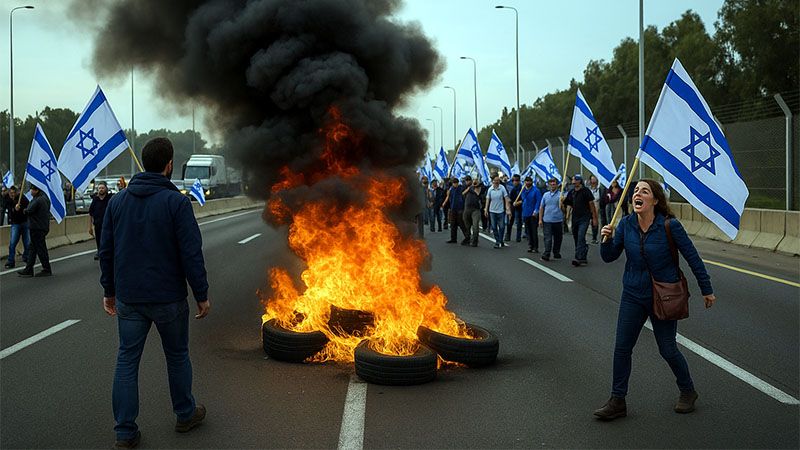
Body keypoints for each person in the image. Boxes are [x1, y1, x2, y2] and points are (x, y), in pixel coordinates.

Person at [100, 137, 210, 448]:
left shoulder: (117, 202)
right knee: (176, 356)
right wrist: (200, 293)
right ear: (169, 165)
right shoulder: (176, 203)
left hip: (130, 299)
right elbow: (191, 253)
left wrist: (109, 290)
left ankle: (124, 430)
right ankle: (185, 414)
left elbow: (106, 251)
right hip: (168, 298)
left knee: (126, 360)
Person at [595, 179, 716, 420]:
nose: (637, 194)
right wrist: (605, 238)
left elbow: (693, 258)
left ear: (656, 200)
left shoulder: (670, 226)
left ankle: (688, 390)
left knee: (668, 349)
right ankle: (617, 400)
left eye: (644, 191)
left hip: (664, 295)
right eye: (636, 190)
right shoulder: (627, 223)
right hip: (632, 294)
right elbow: (609, 257)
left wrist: (706, 289)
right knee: (622, 348)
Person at [562, 174, 598, 266]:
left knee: (581, 236)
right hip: (575, 218)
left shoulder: (586, 191)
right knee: (576, 237)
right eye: (573, 179)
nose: (573, 181)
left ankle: (578, 257)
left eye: (575, 179)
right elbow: (568, 205)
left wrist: (594, 218)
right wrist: (562, 203)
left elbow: (591, 205)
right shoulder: (572, 192)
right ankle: (583, 253)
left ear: (579, 181)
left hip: (584, 217)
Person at [17, 185, 52, 277]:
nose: (31, 191)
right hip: (41, 227)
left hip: (37, 228)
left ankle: (46, 269)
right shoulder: (44, 198)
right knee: (33, 249)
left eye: (32, 190)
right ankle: (29, 269)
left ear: (36, 190)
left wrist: (20, 208)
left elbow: (28, 210)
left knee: (41, 249)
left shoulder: (38, 200)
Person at [5, 186, 30, 269]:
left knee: (27, 242)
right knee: (12, 243)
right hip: (15, 223)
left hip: (24, 222)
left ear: (17, 192)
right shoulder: (8, 200)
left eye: (14, 193)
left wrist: (21, 208)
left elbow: (28, 207)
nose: (12, 195)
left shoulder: (23, 198)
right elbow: (9, 209)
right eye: (11, 193)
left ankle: (26, 256)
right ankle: (11, 260)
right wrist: (14, 208)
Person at [538, 178, 564, 261]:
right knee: (548, 238)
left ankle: (556, 252)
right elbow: (542, 207)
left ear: (557, 185)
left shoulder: (561, 195)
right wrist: (540, 219)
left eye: (554, 183)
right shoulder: (545, 195)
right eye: (551, 183)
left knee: (558, 238)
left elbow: (564, 209)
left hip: (558, 220)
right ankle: (547, 253)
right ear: (548, 185)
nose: (552, 185)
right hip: (547, 220)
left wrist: (562, 204)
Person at [516, 176, 543, 253]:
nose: (527, 183)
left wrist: (536, 210)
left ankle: (535, 247)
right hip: (525, 213)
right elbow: (523, 199)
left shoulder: (536, 190)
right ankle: (530, 245)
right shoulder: (523, 190)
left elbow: (538, 201)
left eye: (529, 181)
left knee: (534, 230)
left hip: (533, 213)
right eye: (526, 181)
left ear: (531, 182)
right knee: (528, 231)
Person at [483, 175, 511, 249]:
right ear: (493, 181)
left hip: (501, 211)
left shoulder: (502, 188)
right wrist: (486, 209)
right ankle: (497, 241)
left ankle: (500, 240)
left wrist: (507, 209)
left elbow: (506, 198)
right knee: (494, 227)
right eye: (495, 180)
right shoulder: (490, 189)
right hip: (492, 211)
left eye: (498, 180)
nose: (497, 182)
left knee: (501, 227)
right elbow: (488, 200)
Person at [89, 181, 114, 260]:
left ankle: (109, 252)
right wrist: (90, 227)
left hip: (108, 224)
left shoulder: (110, 199)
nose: (101, 189)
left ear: (106, 189)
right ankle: (100, 252)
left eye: (103, 188)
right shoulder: (95, 200)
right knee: (99, 239)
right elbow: (90, 213)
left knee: (108, 239)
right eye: (99, 188)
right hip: (98, 224)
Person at [443, 177, 468, 244]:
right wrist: (444, 203)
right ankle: (453, 238)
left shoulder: (461, 188)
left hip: (460, 208)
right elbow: (448, 197)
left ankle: (467, 237)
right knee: (453, 224)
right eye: (454, 183)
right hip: (453, 208)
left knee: (461, 223)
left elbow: (466, 189)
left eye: (456, 183)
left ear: (458, 183)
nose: (455, 184)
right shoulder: (451, 189)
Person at [462, 178, 484, 247]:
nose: (475, 182)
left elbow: (478, 193)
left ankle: (475, 240)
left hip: (475, 210)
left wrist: (476, 186)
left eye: (476, 181)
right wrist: (470, 187)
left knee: (475, 226)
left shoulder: (480, 187)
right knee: (467, 225)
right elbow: (463, 193)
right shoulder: (468, 187)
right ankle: (467, 238)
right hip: (467, 208)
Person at [505, 174, 523, 242]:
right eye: (513, 180)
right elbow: (509, 199)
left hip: (519, 208)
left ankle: (518, 237)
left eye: (516, 180)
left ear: (519, 181)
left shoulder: (522, 188)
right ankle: (508, 236)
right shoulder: (512, 189)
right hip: (512, 207)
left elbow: (524, 199)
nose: (515, 182)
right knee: (509, 222)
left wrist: (518, 202)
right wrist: (509, 209)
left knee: (519, 223)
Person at [588, 175, 605, 244]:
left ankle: (595, 237)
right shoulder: (588, 189)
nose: (593, 182)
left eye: (594, 180)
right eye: (592, 180)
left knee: (596, 221)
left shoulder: (600, 189)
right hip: (589, 206)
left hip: (597, 205)